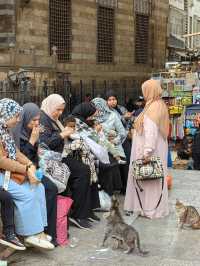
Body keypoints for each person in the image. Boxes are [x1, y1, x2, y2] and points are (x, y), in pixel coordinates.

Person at [0, 98, 54, 249]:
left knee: (39, 188)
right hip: (3, 173)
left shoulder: (4, 131)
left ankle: (40, 231)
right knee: (28, 195)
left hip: (7, 173)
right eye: (15, 116)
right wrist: (25, 169)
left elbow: (15, 153)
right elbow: (2, 161)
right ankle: (31, 233)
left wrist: (29, 164)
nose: (18, 120)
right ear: (5, 115)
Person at [39, 94, 99, 229]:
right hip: (50, 160)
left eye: (61, 110)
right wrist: (62, 134)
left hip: (59, 156)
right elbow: (44, 144)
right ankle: (78, 214)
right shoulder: (43, 119)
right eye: (58, 110)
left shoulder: (52, 119)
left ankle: (85, 211)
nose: (60, 113)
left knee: (88, 166)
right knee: (82, 171)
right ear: (51, 106)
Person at [12, 103, 58, 245]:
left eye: (38, 119)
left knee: (52, 187)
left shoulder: (32, 131)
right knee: (48, 188)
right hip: (19, 174)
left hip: (33, 171)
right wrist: (32, 141)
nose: (37, 123)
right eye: (34, 120)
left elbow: (34, 159)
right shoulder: (16, 134)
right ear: (25, 119)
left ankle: (48, 232)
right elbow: (18, 159)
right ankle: (43, 232)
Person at [124, 80, 169, 219]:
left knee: (148, 179)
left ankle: (150, 210)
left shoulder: (153, 107)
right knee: (153, 179)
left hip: (150, 149)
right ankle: (151, 208)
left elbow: (151, 132)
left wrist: (147, 152)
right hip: (157, 147)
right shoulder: (158, 104)